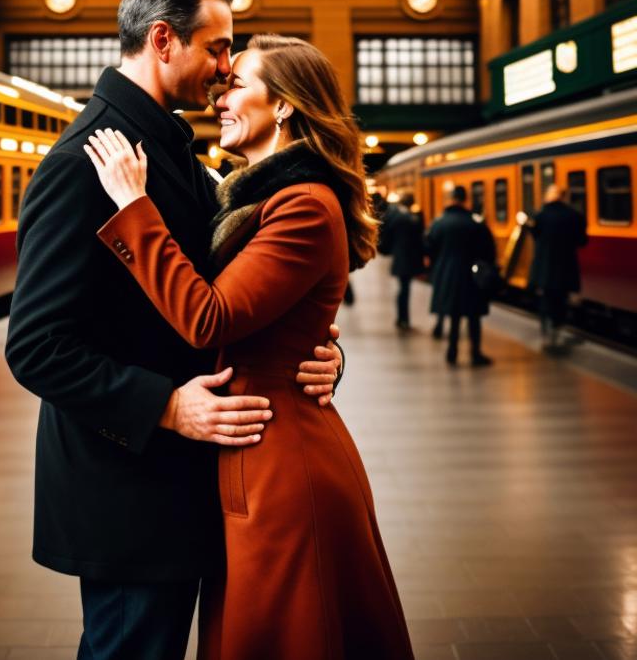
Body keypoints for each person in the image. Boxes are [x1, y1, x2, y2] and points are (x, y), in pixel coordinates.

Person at [5, 0, 341, 660]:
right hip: (130, 492)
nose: (226, 67)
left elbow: (236, 293)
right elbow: (35, 345)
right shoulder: (84, 162)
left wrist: (311, 345)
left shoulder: (175, 154)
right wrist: (166, 406)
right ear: (163, 40)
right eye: (218, 48)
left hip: (181, 485)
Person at [85, 35, 415, 660]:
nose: (220, 98)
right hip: (256, 450)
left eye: (236, 84)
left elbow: (209, 318)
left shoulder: (305, 205)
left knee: (287, 633)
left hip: (283, 465)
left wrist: (134, 206)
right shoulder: (252, 198)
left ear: (285, 105)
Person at [426, 184, 497, 367]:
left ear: (451, 199)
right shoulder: (475, 223)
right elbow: (489, 251)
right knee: (474, 316)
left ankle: (452, 352)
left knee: (454, 315)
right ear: (465, 200)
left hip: (447, 274)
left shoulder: (439, 222)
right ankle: (475, 354)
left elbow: (428, 248)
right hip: (471, 275)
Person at [527, 184, 587, 352]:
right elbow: (582, 241)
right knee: (561, 299)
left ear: (549, 196)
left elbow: (535, 236)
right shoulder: (574, 216)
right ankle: (558, 330)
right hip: (565, 266)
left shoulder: (540, 216)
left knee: (546, 299)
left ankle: (547, 333)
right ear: (563, 197)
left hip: (545, 267)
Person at [378, 191, 424, 330]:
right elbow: (418, 239)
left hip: (399, 256)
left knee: (404, 288)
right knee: (405, 288)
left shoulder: (395, 216)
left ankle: (402, 318)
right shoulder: (409, 218)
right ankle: (403, 318)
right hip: (406, 258)